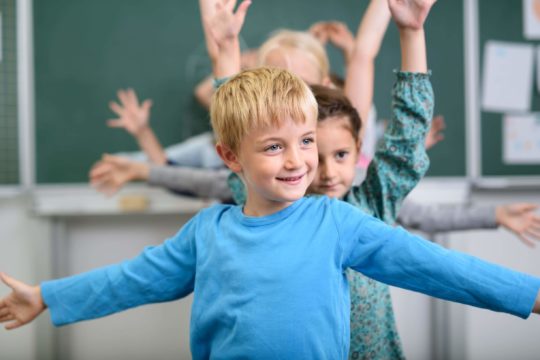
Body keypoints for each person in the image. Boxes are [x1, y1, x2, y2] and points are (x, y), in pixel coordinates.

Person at [3, 65, 540, 358]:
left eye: (305, 141)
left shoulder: (336, 222)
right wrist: (47, 297)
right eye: (274, 146)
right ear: (230, 157)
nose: (299, 160)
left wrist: (530, 295)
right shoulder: (207, 232)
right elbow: (132, 280)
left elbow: (435, 267)